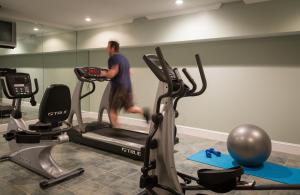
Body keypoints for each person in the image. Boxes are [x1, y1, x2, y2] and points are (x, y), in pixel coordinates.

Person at [100, 40, 150, 128]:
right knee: (129, 108)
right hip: (128, 87)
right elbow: (130, 72)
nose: (106, 49)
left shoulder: (113, 58)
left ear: (113, 48)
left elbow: (113, 73)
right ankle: (143, 111)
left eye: (108, 47)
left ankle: (116, 129)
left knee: (113, 110)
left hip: (118, 87)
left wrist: (103, 74)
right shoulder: (124, 58)